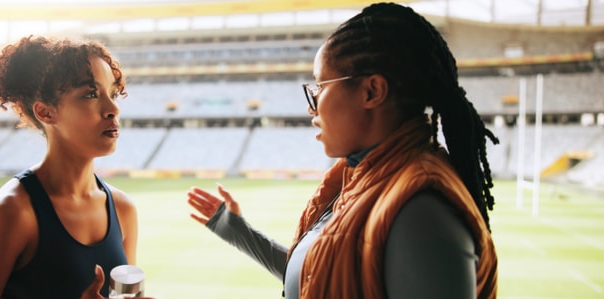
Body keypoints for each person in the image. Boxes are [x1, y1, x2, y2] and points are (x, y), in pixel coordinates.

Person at [187, 3, 498, 299]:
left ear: (371, 91)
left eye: (320, 87)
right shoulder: (364, 177)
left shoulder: (421, 211)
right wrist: (237, 230)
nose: (312, 108)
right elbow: (321, 280)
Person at [0, 35, 139, 299]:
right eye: (90, 94)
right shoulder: (11, 213)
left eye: (113, 94)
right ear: (46, 113)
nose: (112, 109)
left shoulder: (123, 210)